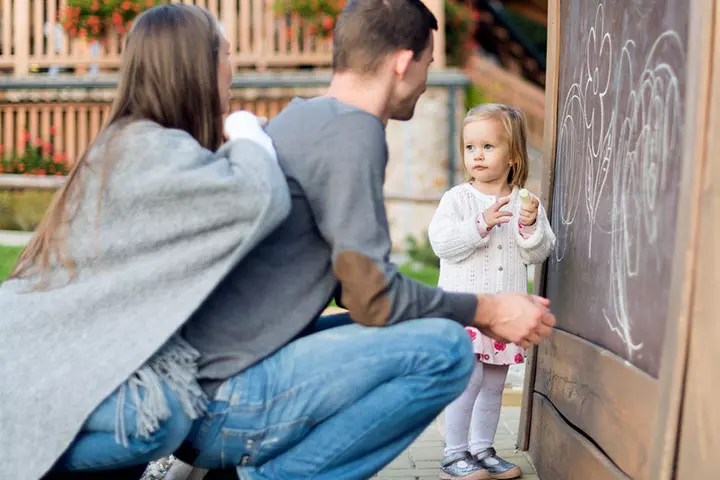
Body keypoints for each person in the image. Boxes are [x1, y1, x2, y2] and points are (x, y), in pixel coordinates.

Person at [175, 2, 556, 479]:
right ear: (403, 62)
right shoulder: (354, 132)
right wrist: (490, 310)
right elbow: (373, 295)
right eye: (428, 63)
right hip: (226, 404)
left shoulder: (304, 117)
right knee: (446, 350)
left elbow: (349, 288)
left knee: (404, 332)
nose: (426, 77)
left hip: (202, 388)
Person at [0, 5, 290, 479]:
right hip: (29, 365)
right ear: (196, 64)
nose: (234, 68)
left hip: (47, 356)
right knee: (158, 419)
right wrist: (244, 129)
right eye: (227, 54)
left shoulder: (140, 145)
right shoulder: (145, 149)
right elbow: (261, 198)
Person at [428, 104, 556, 480]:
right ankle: (454, 455)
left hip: (504, 318)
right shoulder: (457, 200)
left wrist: (530, 226)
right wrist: (480, 224)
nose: (477, 155)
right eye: (470, 148)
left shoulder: (525, 203)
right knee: (468, 381)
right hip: (468, 312)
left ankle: (482, 449)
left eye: (488, 146)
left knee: (494, 386)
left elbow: (539, 251)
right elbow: (442, 243)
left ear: (513, 156)